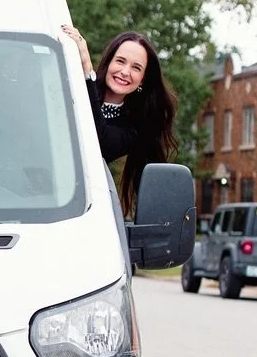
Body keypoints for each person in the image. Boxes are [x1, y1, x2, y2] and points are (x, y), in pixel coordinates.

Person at [61, 25, 177, 215]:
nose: (124, 71)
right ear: (109, 62)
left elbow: (99, 142)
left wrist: (87, 72)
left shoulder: (135, 127)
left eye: (136, 67)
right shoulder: (70, 87)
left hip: (75, 208)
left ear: (143, 80)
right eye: (120, 61)